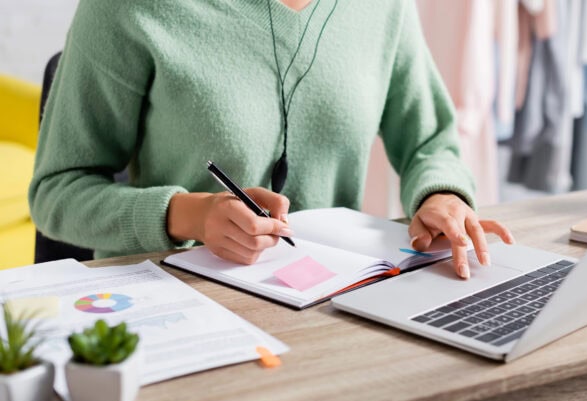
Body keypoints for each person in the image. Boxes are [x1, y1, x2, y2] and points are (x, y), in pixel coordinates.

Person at [29, 0, 514, 279]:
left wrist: (442, 195)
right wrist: (189, 214)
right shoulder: (129, 8)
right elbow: (57, 194)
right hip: (181, 305)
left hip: (333, 303)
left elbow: (429, 141)